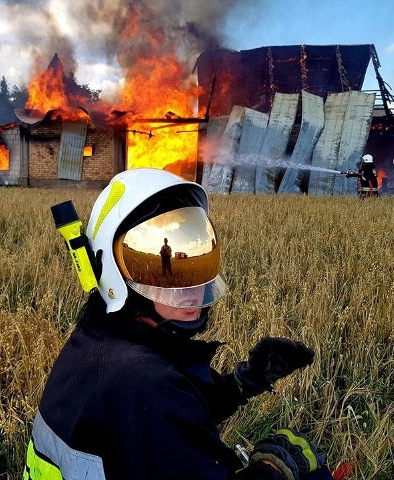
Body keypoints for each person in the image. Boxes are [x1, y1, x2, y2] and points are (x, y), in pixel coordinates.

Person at [24, 168, 332, 480]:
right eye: (161, 271)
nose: (190, 288)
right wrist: (272, 474)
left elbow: (159, 421)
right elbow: (154, 405)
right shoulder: (141, 382)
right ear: (112, 274)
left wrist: (238, 386)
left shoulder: (99, 342)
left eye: (196, 263)